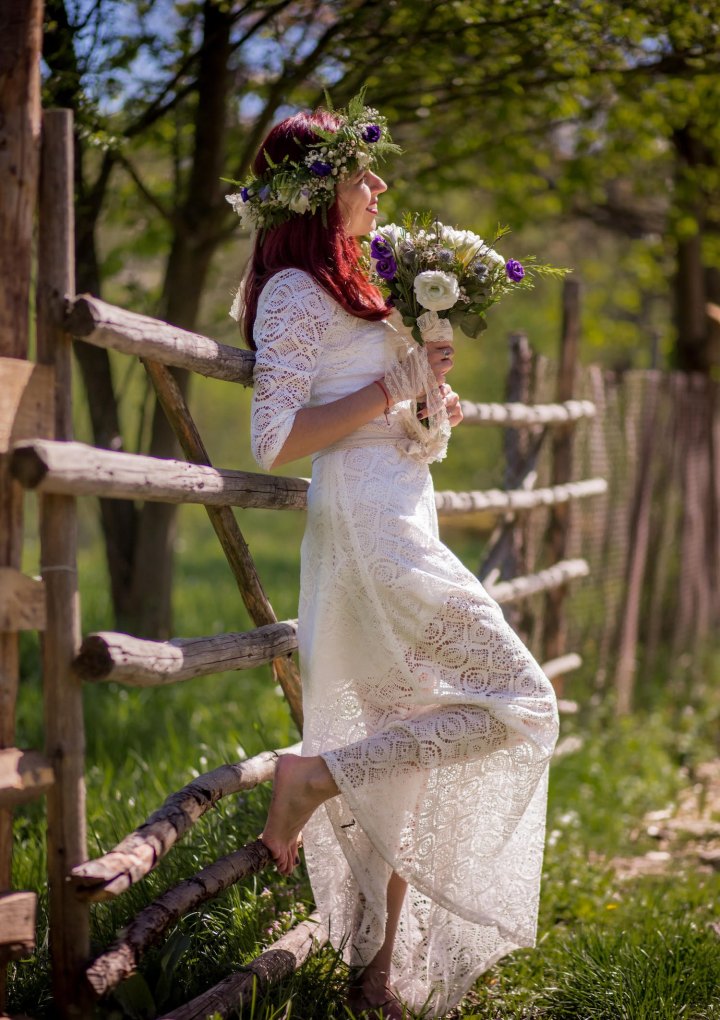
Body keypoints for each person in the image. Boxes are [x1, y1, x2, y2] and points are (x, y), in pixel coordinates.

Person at [228, 96, 559, 1019]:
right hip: (372, 533)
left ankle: (376, 975)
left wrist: (424, 410)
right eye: (360, 175)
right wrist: (389, 389)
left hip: (401, 511)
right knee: (523, 701)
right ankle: (315, 775)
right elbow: (275, 440)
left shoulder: (356, 285)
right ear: (317, 190)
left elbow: (383, 414)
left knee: (401, 749)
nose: (378, 187)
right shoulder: (293, 293)